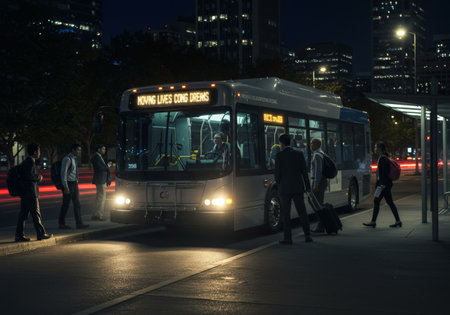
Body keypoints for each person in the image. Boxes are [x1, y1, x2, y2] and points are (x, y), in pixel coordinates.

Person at [275, 134, 313, 244]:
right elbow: (304, 172)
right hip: (298, 187)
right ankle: (308, 235)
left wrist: (279, 186)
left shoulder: (279, 156)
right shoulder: (299, 154)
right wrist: (308, 187)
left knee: (286, 214)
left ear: (282, 143)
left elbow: (277, 174)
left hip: (284, 189)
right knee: (302, 212)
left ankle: (288, 238)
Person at [15, 143, 53, 242]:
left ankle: (19, 235)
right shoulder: (30, 162)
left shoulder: (28, 161)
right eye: (39, 151)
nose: (40, 153)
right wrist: (38, 177)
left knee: (23, 215)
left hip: (25, 193)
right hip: (30, 192)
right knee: (36, 214)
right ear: (35, 152)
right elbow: (29, 176)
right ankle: (40, 234)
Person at [363, 141, 402, 228]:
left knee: (377, 201)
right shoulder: (383, 157)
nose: (374, 149)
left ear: (380, 148)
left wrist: (382, 185)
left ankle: (373, 221)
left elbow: (384, 173)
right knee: (388, 202)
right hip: (385, 185)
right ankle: (398, 221)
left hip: (383, 186)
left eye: (376, 147)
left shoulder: (383, 159)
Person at [58, 143, 89, 229]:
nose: (79, 152)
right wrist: (66, 186)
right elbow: (63, 173)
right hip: (69, 184)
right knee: (66, 204)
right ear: (73, 150)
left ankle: (79, 223)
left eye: (80, 150)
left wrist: (77, 181)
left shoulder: (74, 159)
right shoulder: (67, 159)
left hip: (74, 183)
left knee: (77, 204)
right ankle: (61, 223)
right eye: (78, 150)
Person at [310, 138, 328, 233]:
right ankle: (321, 225)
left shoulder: (317, 155)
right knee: (318, 203)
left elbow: (318, 171)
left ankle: (321, 225)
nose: (310, 145)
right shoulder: (321, 153)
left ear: (316, 144)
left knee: (316, 203)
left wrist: (315, 184)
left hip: (319, 182)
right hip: (321, 181)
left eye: (311, 143)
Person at [91, 145, 112, 221]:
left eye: (105, 149)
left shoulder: (98, 156)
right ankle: (99, 215)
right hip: (101, 180)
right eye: (103, 149)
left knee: (98, 198)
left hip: (100, 179)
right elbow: (100, 168)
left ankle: (95, 214)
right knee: (102, 198)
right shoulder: (96, 157)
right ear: (98, 149)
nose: (104, 150)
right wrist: (108, 166)